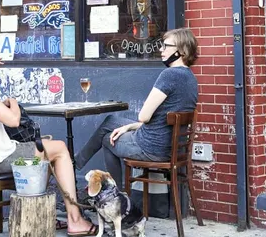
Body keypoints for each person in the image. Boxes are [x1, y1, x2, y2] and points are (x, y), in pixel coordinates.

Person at [0, 42, 96, 237]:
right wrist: (12, 102)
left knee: (46, 152)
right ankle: (75, 220)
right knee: (60, 149)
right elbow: (13, 120)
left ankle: (40, 214)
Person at [74, 27, 199, 186]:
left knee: (107, 139)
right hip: (173, 148)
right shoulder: (191, 78)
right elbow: (160, 120)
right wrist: (128, 127)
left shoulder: (170, 75)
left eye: (166, 46)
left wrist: (133, 127)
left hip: (152, 147)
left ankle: (117, 194)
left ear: (182, 51)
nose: (161, 49)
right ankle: (76, 164)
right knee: (111, 121)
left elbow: (144, 117)